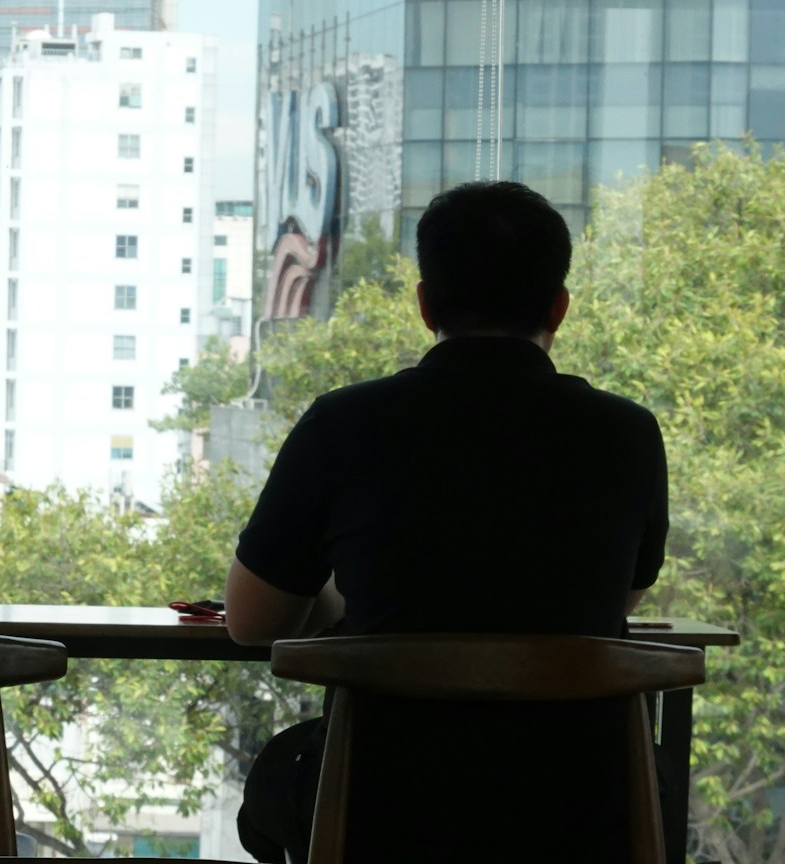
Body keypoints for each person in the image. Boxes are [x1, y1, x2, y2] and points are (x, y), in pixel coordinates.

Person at [227, 181, 668, 863]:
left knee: (274, 790)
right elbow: (616, 599)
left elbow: (252, 622)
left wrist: (350, 593)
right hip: (579, 815)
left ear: (425, 304)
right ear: (559, 306)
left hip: (380, 811)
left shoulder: (344, 424)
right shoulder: (628, 435)